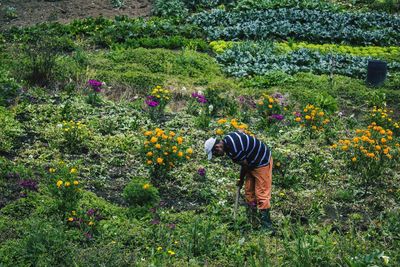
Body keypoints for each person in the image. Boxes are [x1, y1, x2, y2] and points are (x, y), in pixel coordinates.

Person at [204, 131, 274, 232]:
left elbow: (244, 165)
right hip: (251, 162)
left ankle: (267, 227)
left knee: (262, 194)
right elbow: (241, 132)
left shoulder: (234, 150)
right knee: (249, 193)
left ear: (217, 147)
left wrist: (241, 180)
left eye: (215, 154)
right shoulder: (228, 138)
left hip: (262, 161)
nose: (217, 156)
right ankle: (253, 221)